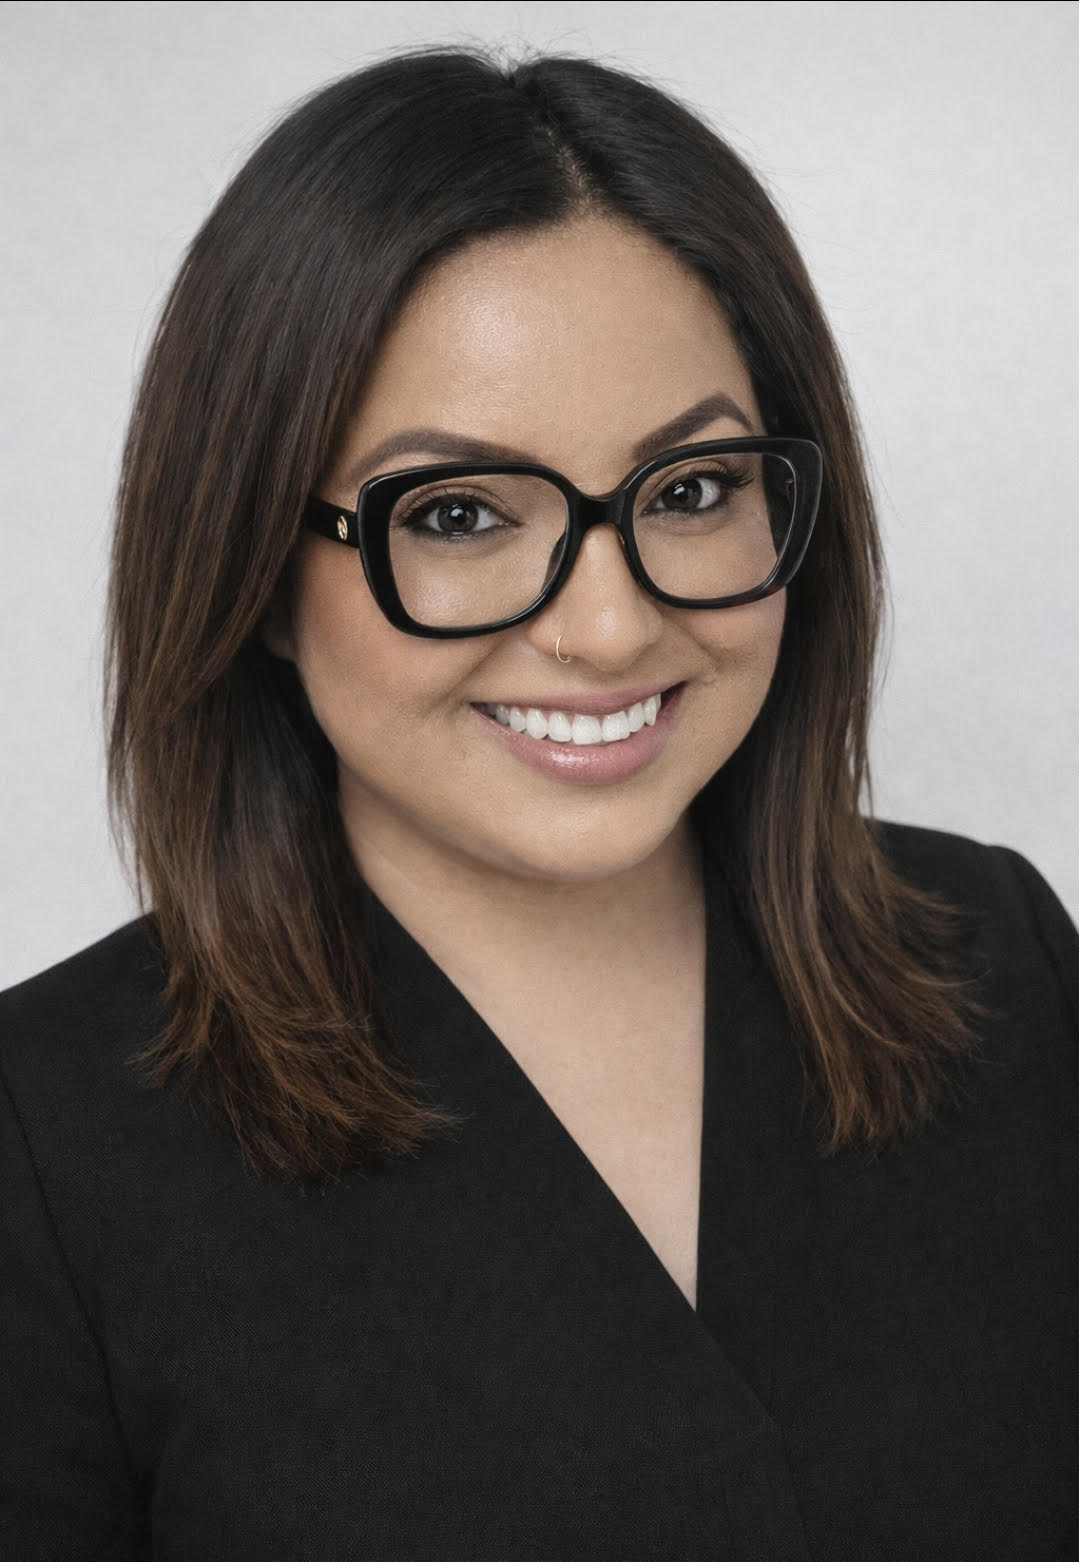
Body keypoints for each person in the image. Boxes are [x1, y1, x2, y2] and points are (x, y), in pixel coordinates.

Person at [0, 45, 1075, 1561]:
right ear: (255, 572)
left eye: (691, 490)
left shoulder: (1002, 960)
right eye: (456, 515)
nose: (610, 627)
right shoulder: (44, 1143)